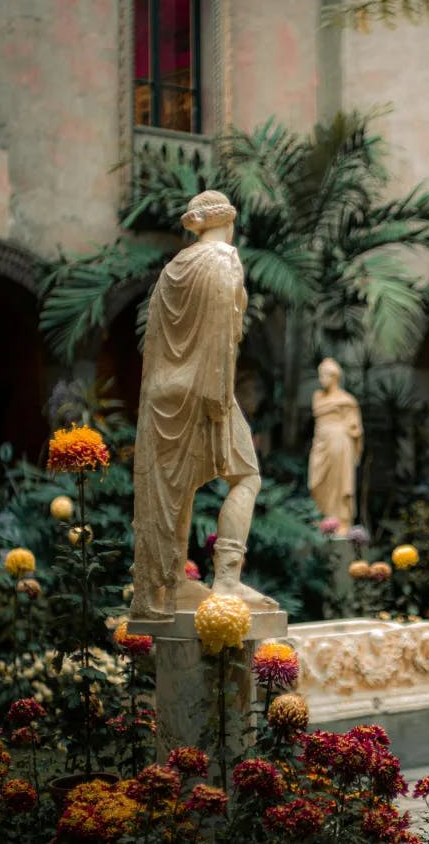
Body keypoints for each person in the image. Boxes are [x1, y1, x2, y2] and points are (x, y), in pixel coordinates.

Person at [130, 190, 277, 621]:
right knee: (246, 475)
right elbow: (220, 330)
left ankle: (166, 585)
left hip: (163, 393)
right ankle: (227, 581)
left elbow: (155, 336)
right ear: (228, 220)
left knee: (171, 491)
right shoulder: (223, 259)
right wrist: (217, 396)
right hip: (205, 386)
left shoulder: (174, 266)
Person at [308, 357, 364, 534]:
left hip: (339, 442)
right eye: (320, 375)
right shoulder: (317, 397)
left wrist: (352, 429)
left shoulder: (347, 400)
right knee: (316, 481)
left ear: (334, 377)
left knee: (339, 481)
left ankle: (340, 520)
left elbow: (355, 427)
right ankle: (322, 517)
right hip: (320, 443)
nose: (321, 379)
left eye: (324, 375)